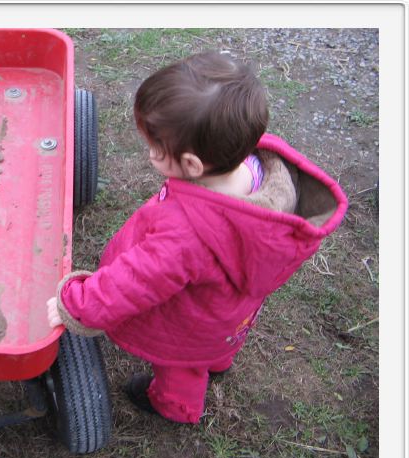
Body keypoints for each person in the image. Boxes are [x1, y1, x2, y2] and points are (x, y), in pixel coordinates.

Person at [46, 51, 348, 424]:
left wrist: (76, 304)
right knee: (217, 338)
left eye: (156, 149)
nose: (150, 154)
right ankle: (219, 359)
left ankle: (175, 406)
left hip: (188, 325)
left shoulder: (187, 234)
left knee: (182, 365)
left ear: (191, 165)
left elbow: (136, 281)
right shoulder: (259, 171)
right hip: (226, 310)